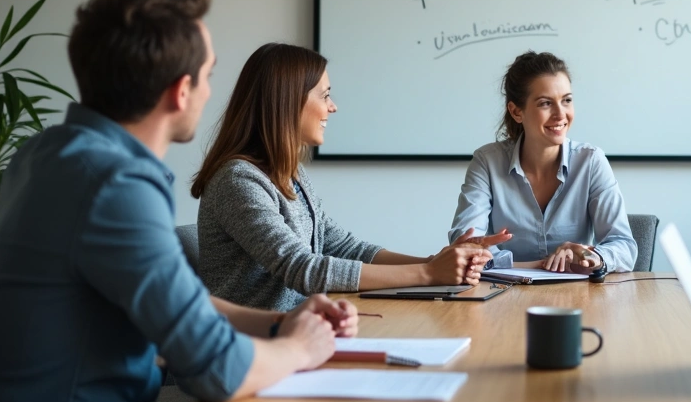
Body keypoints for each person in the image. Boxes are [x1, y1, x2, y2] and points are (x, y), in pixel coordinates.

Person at [0, 0, 352, 402]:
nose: (208, 92)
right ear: (182, 91)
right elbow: (218, 372)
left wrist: (280, 322)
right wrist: (298, 349)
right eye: (209, 74)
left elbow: (178, 303)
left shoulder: (45, 154)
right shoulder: (116, 183)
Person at [193, 43, 507, 311]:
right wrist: (427, 273)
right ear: (287, 101)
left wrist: (434, 260)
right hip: (247, 353)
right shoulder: (238, 181)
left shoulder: (291, 174)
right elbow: (303, 268)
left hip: (294, 337)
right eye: (325, 95)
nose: (333, 107)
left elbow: (342, 246)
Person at [448, 51, 637, 273]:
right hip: (502, 297)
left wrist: (591, 257)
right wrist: (536, 266)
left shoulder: (591, 161)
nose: (560, 114)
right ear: (517, 111)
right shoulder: (487, 163)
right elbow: (465, 248)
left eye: (566, 100)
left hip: (577, 298)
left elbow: (625, 247)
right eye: (546, 103)